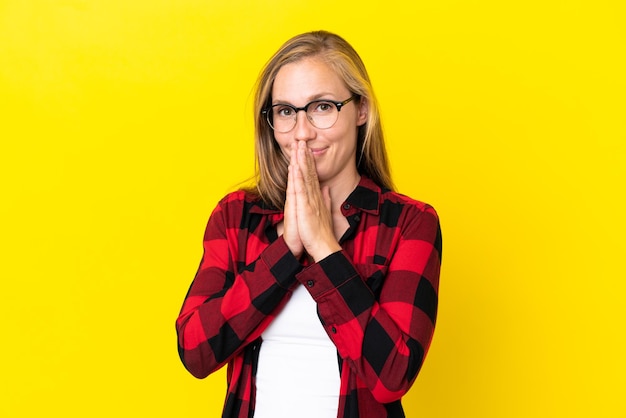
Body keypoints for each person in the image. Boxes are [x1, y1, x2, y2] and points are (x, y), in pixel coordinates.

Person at [176, 30, 442, 418]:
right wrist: (287, 251)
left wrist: (325, 249)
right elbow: (196, 351)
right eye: (286, 111)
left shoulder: (409, 224)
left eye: (322, 107)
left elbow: (392, 376)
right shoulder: (236, 216)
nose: (302, 132)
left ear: (361, 109)